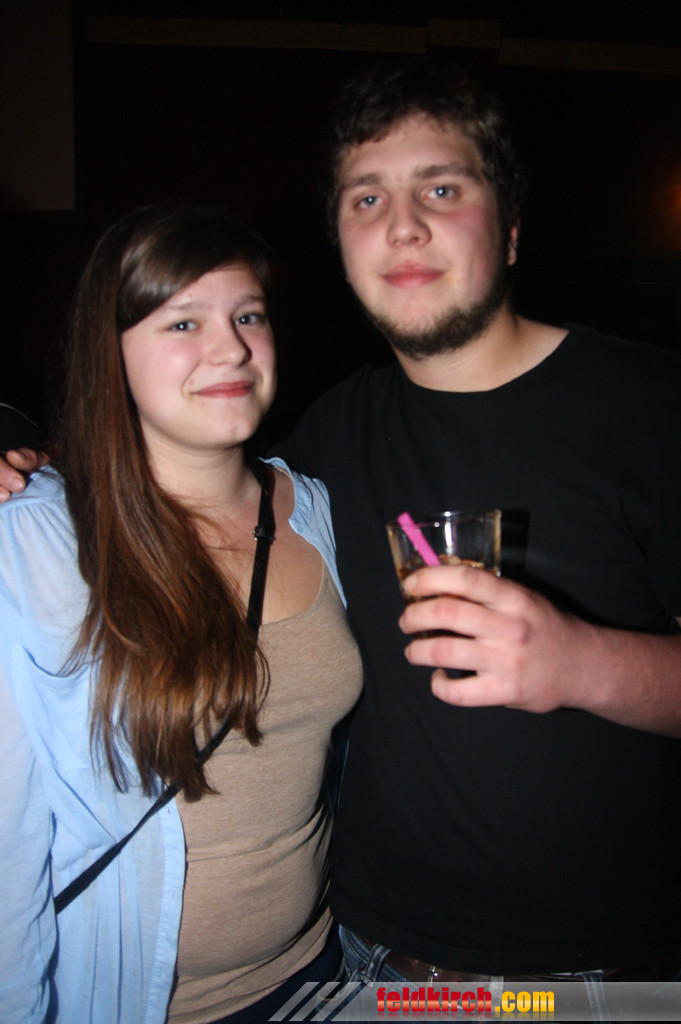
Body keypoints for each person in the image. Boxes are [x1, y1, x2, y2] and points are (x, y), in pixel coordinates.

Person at [3, 58, 681, 1000]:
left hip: (592, 983)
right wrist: (28, 460)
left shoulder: (649, 404)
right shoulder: (330, 439)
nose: (401, 225)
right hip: (370, 972)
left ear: (511, 228)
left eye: (440, 188)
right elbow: (167, 465)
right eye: (367, 198)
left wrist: (582, 662)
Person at [0, 202, 362, 1024]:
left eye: (247, 316)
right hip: (140, 1003)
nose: (230, 347)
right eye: (183, 322)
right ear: (111, 352)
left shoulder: (318, 510)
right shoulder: (37, 543)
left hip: (323, 970)